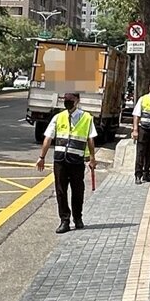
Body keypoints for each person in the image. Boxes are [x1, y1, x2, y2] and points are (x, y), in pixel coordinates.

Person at [36, 90, 97, 233]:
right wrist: (42, 157)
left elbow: (90, 139)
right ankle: (64, 220)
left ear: (77, 100)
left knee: (78, 191)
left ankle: (78, 218)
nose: (67, 101)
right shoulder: (58, 117)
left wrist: (92, 158)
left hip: (76, 161)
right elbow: (48, 137)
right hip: (60, 161)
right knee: (61, 191)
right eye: (66, 98)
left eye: (71, 99)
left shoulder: (87, 118)